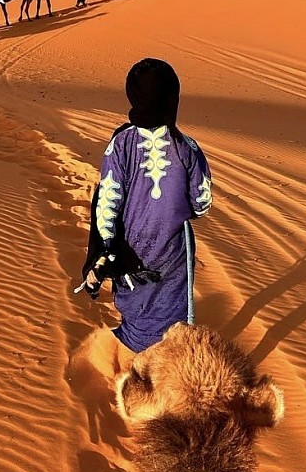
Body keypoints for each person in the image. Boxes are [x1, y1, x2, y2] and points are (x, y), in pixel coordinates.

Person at [75, 58, 213, 353]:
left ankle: (133, 359)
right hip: (173, 250)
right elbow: (202, 203)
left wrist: (106, 248)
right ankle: (163, 364)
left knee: (137, 307)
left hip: (131, 248)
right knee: (173, 315)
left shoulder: (120, 144)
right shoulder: (187, 147)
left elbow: (107, 202)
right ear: (172, 97)